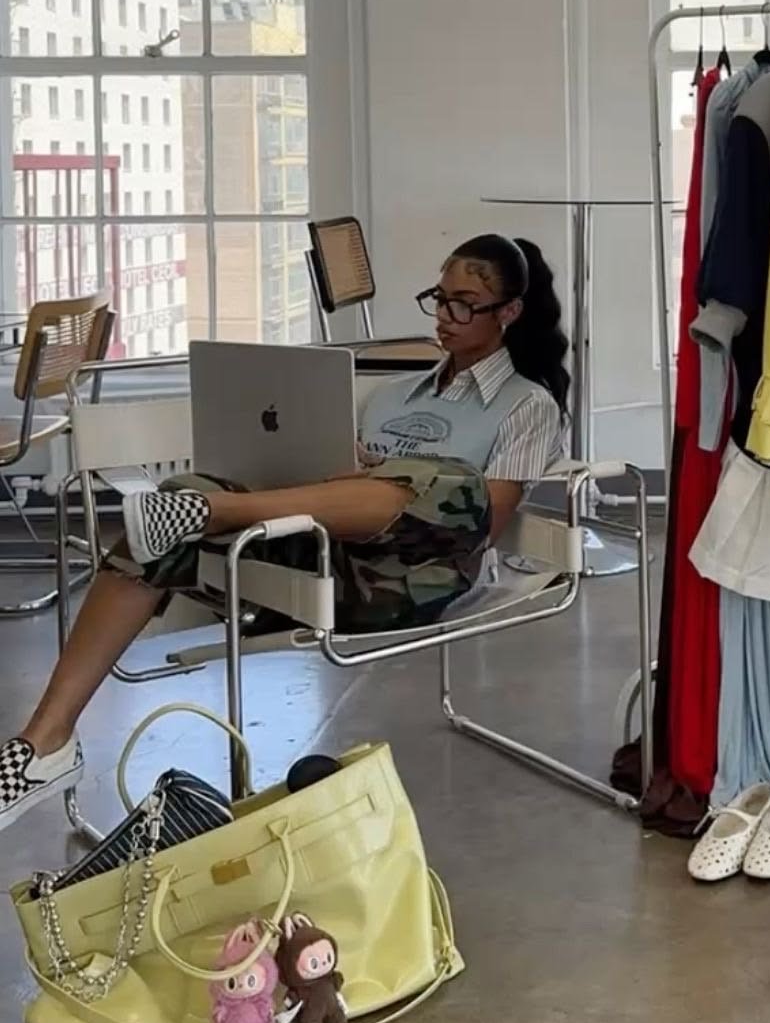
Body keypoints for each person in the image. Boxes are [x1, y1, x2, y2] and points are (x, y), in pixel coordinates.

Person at [0, 233, 568, 834]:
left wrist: (391, 480)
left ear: (509, 312)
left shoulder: (527, 405)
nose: (445, 316)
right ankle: (45, 743)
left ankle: (216, 511)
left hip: (412, 582)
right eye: (439, 298)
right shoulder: (393, 395)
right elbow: (331, 488)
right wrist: (341, 472)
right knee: (174, 503)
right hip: (325, 561)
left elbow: (484, 521)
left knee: (442, 481)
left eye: (465, 304)